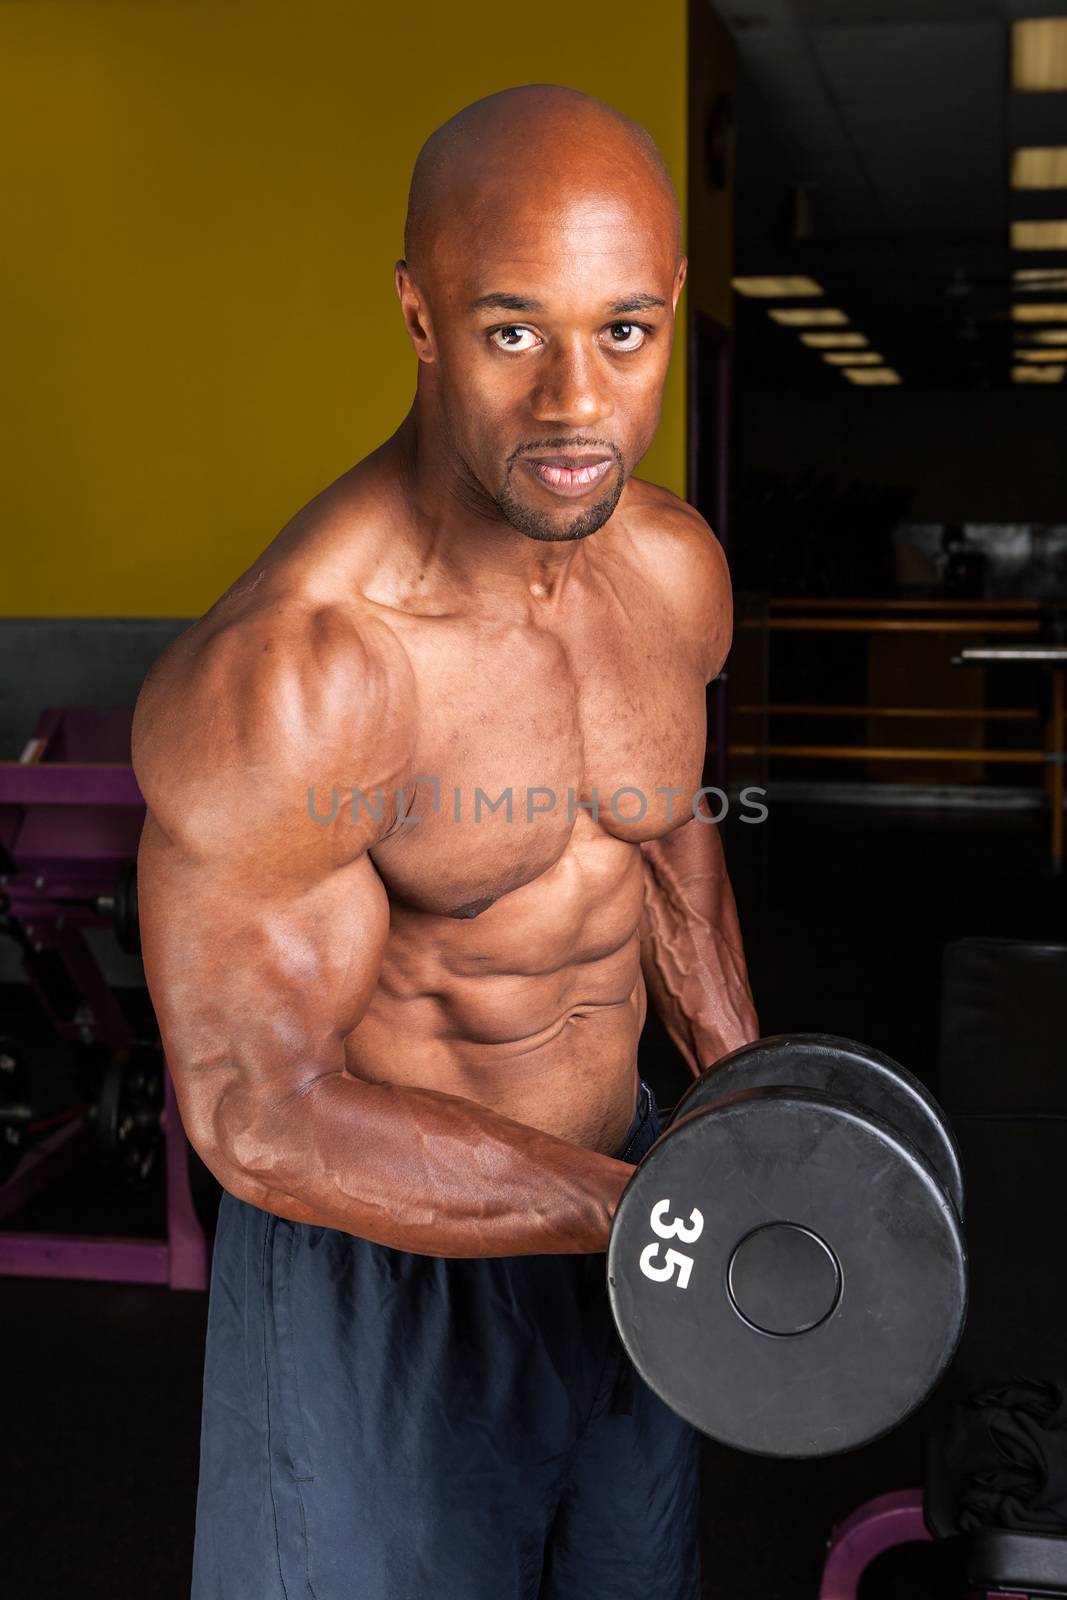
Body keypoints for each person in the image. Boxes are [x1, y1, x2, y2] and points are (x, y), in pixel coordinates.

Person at [134, 83, 758, 1600]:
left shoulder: (670, 570)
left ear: (673, 310)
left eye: (623, 333)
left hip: (631, 1215)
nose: (573, 406)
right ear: (419, 318)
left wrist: (753, 1112)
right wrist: (645, 1214)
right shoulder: (304, 675)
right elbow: (257, 1111)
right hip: (387, 1283)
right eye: (510, 331)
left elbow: (671, 857)